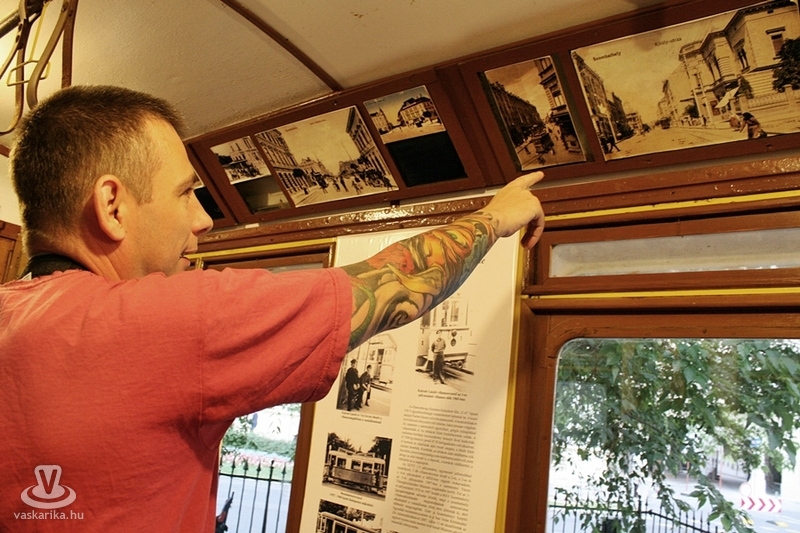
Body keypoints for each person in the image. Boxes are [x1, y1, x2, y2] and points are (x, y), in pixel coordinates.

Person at [0, 85, 545, 531]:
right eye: (186, 193)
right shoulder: (162, 321)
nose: (203, 219)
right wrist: (496, 216)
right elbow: (394, 282)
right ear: (112, 206)